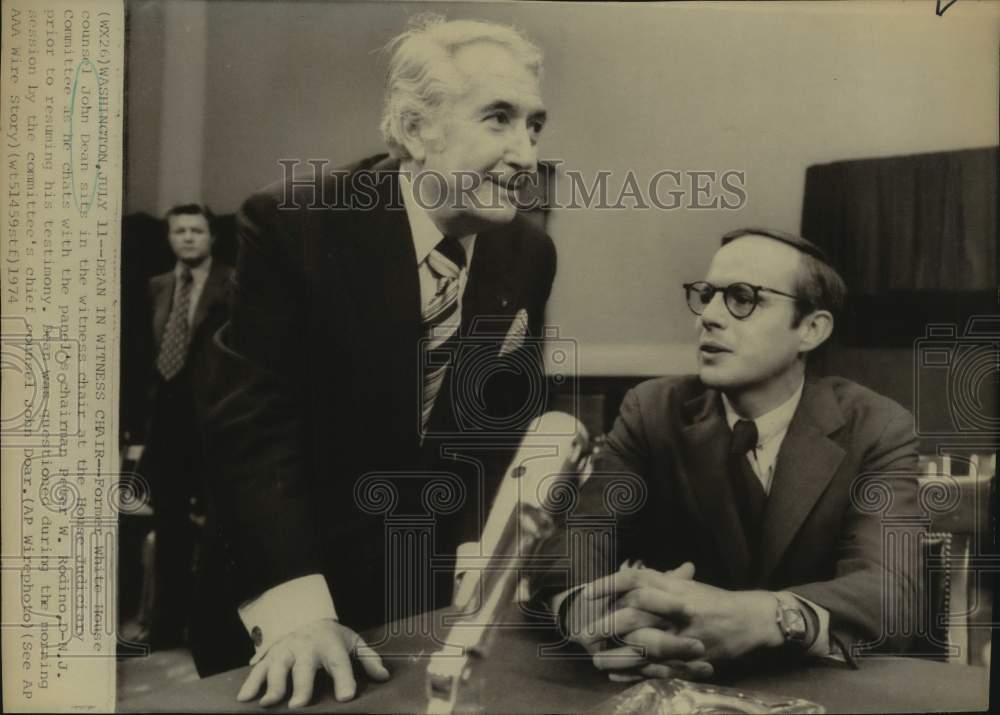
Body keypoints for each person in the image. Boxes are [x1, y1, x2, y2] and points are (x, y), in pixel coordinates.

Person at [196, 15, 556, 706]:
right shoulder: (294, 225)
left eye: (535, 126)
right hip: (288, 587)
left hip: (420, 605)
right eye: (499, 119)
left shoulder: (528, 254)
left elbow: (496, 432)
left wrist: (496, 576)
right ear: (416, 130)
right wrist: (300, 612)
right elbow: (250, 427)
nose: (525, 152)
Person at [533, 228, 919, 680]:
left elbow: (891, 592)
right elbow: (575, 542)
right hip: (669, 685)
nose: (709, 317)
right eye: (707, 295)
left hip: (813, 688)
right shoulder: (653, 410)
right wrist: (594, 618)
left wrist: (766, 616)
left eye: (743, 298)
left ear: (811, 330)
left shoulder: (876, 427)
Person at [136, 204, 233, 648]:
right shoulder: (156, 288)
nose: (188, 238)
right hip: (168, 425)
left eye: (197, 230)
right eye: (180, 231)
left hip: (213, 422)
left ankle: (210, 626)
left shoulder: (234, 284)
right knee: (169, 526)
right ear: (170, 238)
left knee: (219, 525)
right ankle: (164, 624)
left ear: (212, 238)